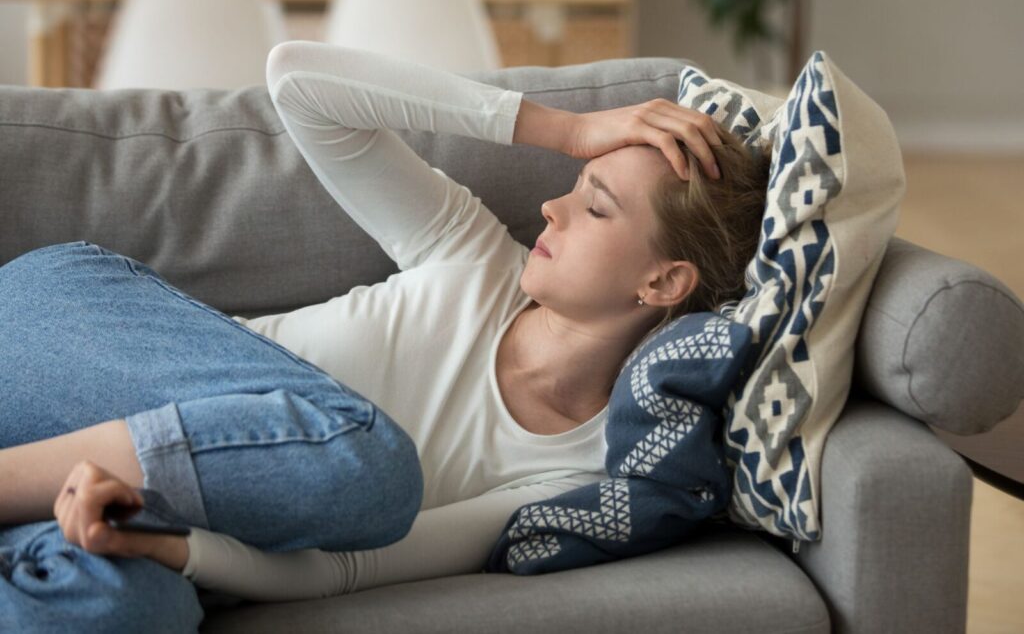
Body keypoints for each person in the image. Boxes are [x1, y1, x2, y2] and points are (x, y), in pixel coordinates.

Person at [0, 40, 771, 627]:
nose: (552, 210)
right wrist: (568, 130)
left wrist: (173, 549)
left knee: (131, 606)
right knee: (375, 464)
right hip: (72, 332)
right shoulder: (469, 254)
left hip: (122, 486)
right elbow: (298, 80)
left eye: (596, 207)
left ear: (663, 283)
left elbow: (352, 567)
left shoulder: (579, 471)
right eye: (574, 185)